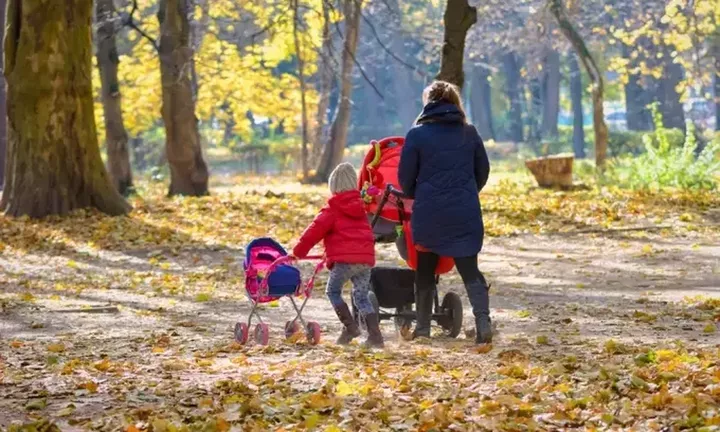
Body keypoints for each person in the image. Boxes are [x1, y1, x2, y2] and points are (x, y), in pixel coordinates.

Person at [398, 80, 492, 344]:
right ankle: (483, 324)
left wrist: (420, 194)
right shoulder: (469, 133)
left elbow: (405, 179)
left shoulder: (416, 134)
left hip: (430, 212)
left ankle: (424, 329)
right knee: (470, 271)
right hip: (464, 210)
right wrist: (467, 192)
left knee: (425, 270)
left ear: (429, 103)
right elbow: (482, 172)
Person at [292, 163, 384, 348]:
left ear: (333, 186)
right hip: (365, 260)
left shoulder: (332, 209)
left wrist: (298, 252)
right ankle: (375, 337)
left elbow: (314, 232)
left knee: (332, 291)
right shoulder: (361, 208)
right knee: (361, 297)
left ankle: (350, 327)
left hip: (345, 261)